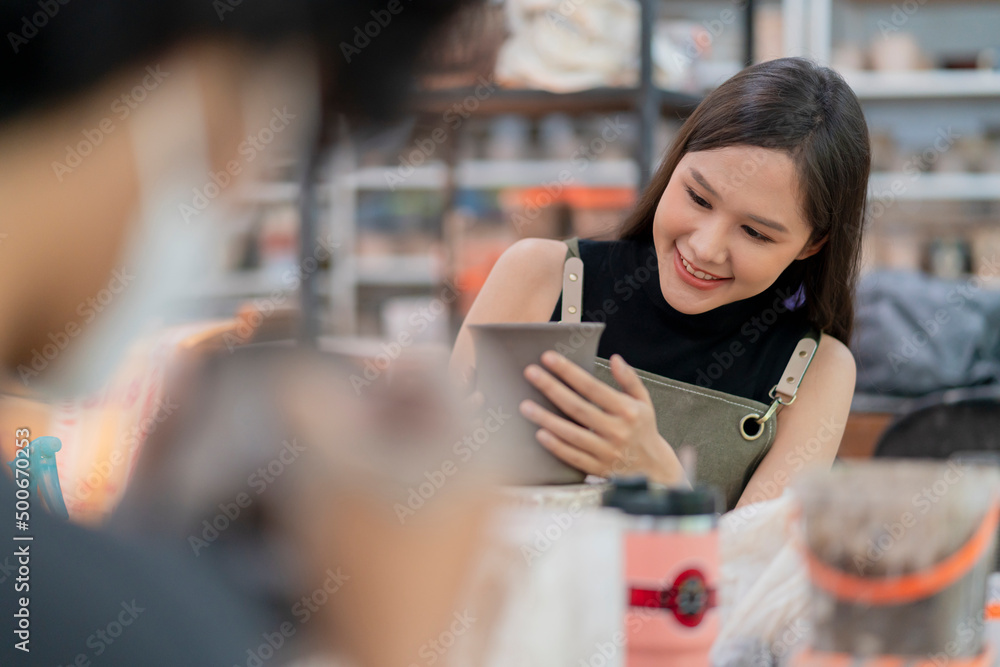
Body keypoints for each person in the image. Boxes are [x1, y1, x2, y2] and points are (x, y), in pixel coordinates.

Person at [451, 57, 869, 511]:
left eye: (755, 232)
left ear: (812, 245)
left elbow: (758, 571)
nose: (706, 248)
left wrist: (662, 477)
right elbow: (427, 506)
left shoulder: (815, 369)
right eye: (698, 197)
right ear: (674, 163)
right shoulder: (540, 276)